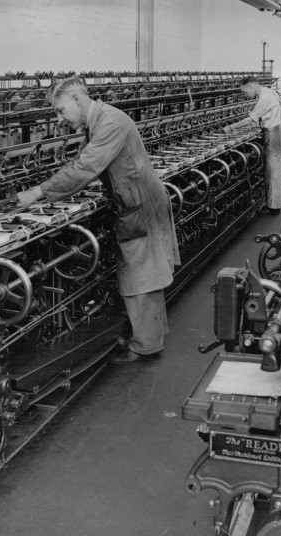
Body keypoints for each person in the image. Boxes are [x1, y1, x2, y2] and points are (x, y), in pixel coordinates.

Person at [16, 77, 180, 364]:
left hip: (139, 204)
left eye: (60, 110)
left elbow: (86, 166)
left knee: (140, 274)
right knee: (145, 271)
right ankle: (150, 336)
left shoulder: (109, 123)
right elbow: (84, 163)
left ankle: (145, 345)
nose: (59, 118)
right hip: (136, 199)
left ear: (78, 100)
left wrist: (38, 192)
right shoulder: (99, 121)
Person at [223, 75, 281, 215]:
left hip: (274, 132)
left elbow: (251, 118)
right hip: (276, 130)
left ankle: (274, 208)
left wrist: (230, 127)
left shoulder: (265, 97)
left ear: (251, 86)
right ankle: (271, 204)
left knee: (274, 171)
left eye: (245, 92)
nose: (245, 96)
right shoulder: (270, 92)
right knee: (272, 170)